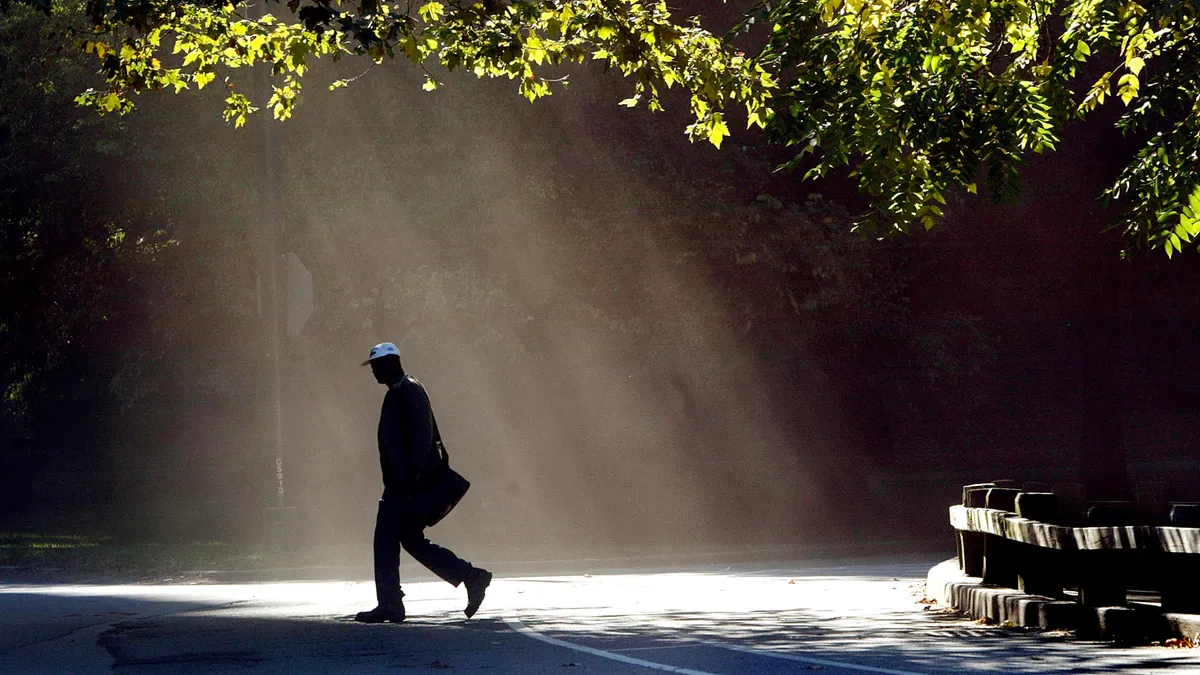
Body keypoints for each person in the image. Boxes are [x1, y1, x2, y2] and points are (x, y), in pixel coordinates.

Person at [354, 341, 492, 623]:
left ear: (392, 362)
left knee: (386, 540)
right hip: (401, 484)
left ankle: (392, 603)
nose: (374, 372)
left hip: (406, 486)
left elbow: (422, 436)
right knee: (409, 541)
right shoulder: (398, 392)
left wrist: (411, 479)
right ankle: (470, 576)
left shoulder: (409, 390)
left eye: (377, 365)